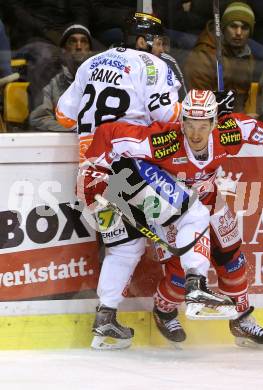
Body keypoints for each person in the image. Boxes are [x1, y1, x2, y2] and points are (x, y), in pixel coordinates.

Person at [57, 13, 235, 350]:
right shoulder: (152, 66)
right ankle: (196, 286)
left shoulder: (90, 63)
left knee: (125, 248)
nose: (163, 48)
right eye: (159, 41)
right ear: (142, 41)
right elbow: (171, 117)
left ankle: (105, 321)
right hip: (126, 169)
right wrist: (213, 105)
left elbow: (63, 115)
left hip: (90, 177)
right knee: (194, 213)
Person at [82, 89, 263, 349]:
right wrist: (93, 171)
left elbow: (257, 130)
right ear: (182, 121)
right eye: (190, 125)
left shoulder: (229, 132)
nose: (196, 134)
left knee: (231, 256)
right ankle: (165, 311)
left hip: (208, 199)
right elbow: (108, 135)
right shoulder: (164, 140)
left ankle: (242, 318)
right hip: (171, 207)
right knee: (177, 270)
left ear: (214, 122)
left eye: (203, 126)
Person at [184, 2, 263, 112]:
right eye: (233, 26)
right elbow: (198, 104)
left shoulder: (246, 55)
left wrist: (241, 119)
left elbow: (241, 101)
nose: (239, 32)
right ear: (223, 28)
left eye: (244, 28)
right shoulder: (204, 56)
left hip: (232, 120)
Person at [29, 24, 92, 132]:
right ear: (63, 50)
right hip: (62, 143)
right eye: (72, 41)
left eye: (84, 41)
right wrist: (75, 129)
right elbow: (39, 118)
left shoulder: (103, 80)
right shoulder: (51, 81)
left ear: (90, 50)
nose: (78, 46)